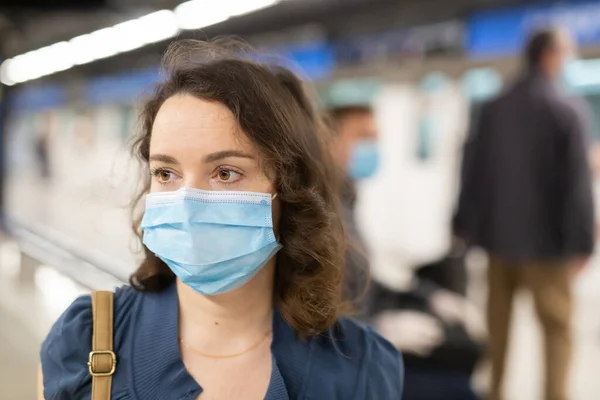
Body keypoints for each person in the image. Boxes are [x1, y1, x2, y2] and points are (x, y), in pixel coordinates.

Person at [38, 39, 404, 400]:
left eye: (225, 173)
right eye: (166, 173)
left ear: (290, 190)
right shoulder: (85, 341)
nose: (188, 201)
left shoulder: (361, 368)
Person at [454, 28, 595, 400]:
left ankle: (494, 391)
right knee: (557, 331)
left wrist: (463, 224)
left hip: (497, 243)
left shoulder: (492, 107)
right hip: (547, 250)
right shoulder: (567, 111)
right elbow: (577, 186)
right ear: (550, 56)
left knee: (497, 330)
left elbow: (471, 171)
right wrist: (582, 243)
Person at [326, 105, 379, 307]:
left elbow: (364, 282)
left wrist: (426, 296)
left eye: (375, 139)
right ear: (330, 139)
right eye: (363, 137)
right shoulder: (322, 206)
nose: (372, 147)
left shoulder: (346, 196)